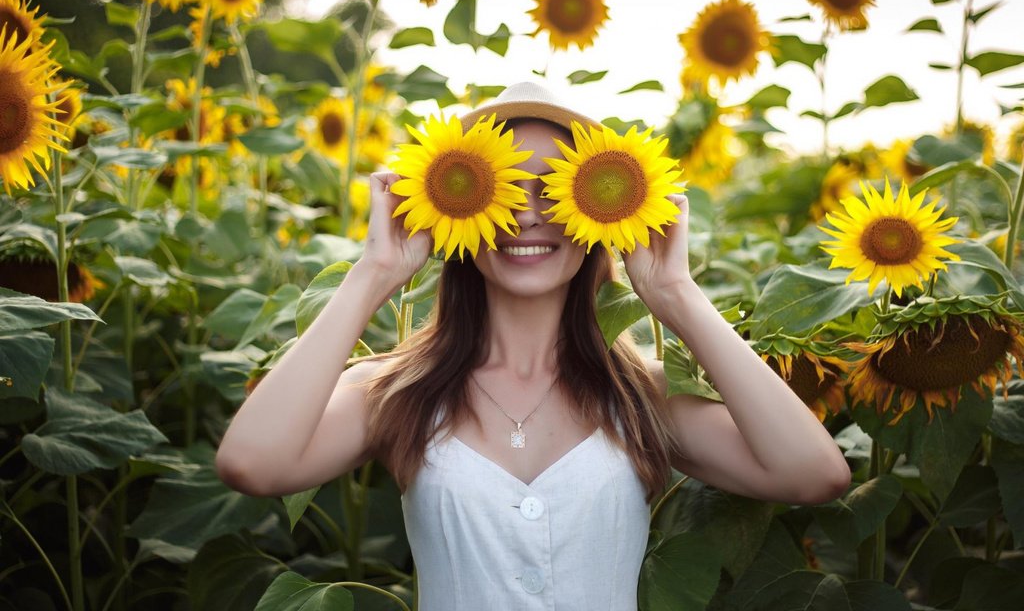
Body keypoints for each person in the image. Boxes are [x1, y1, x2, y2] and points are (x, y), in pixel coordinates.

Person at [216, 82, 851, 609]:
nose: (527, 213)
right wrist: (373, 275)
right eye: (502, 185)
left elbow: (813, 474)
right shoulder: (397, 389)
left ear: (603, 208)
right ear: (455, 207)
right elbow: (253, 464)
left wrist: (676, 293)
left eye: (556, 186)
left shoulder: (640, 395)